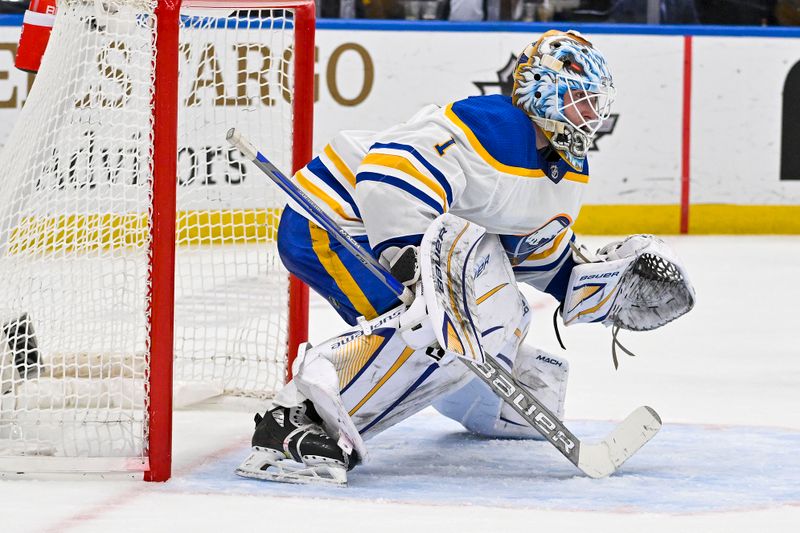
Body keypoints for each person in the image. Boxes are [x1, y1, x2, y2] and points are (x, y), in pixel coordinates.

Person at [236, 30, 693, 485]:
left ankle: (486, 403)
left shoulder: (566, 172)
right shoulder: (494, 125)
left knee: (499, 315)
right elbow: (387, 173)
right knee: (440, 330)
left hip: (386, 233)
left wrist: (602, 289)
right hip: (334, 221)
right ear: (540, 88)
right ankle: (297, 420)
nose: (590, 114)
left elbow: (535, 256)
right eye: (578, 98)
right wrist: (409, 258)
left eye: (596, 103)